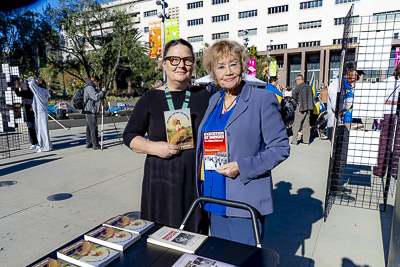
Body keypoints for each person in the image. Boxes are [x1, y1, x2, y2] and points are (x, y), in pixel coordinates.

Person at [197, 40, 290, 246]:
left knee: (244, 260)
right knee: (221, 258)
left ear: (243, 66)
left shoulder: (262, 100)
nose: (228, 72)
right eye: (221, 67)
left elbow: (280, 148)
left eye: (233, 64)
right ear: (213, 72)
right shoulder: (215, 100)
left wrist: (242, 166)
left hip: (242, 199)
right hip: (213, 196)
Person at [123, 39, 210, 233]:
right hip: (161, 178)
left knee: (194, 234)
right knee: (161, 235)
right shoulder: (150, 98)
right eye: (174, 59)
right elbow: (129, 135)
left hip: (194, 179)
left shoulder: (204, 96)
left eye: (187, 60)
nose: (181, 65)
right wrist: (154, 147)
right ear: (164, 63)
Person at [326, 62, 358, 200]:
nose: (357, 75)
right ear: (348, 72)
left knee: (341, 157)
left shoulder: (345, 85)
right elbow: (336, 106)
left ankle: (337, 184)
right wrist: (350, 103)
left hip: (341, 124)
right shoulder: (337, 85)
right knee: (339, 157)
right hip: (335, 125)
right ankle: (334, 188)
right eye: (355, 72)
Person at [373, 63, 400, 179]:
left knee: (384, 142)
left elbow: (378, 97)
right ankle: (395, 171)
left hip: (387, 112)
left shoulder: (387, 80)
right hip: (392, 112)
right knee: (397, 143)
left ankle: (380, 169)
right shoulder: (389, 81)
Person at [28, 78, 52, 153]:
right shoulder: (42, 91)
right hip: (40, 111)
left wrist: (33, 80)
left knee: (42, 130)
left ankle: (45, 146)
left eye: (37, 82)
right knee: (41, 129)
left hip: (41, 112)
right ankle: (43, 145)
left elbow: (31, 84)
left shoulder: (40, 90)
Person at [83, 76, 107, 150]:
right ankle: (95, 144)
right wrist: (102, 92)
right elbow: (96, 97)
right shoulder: (89, 88)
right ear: (95, 81)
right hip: (90, 109)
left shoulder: (87, 86)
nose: (98, 84)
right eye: (98, 82)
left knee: (89, 127)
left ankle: (89, 142)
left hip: (88, 109)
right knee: (93, 127)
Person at [14, 78, 38, 150]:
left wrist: (23, 87)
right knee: (30, 127)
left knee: (36, 126)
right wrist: (17, 86)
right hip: (28, 111)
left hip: (34, 110)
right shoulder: (24, 91)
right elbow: (18, 93)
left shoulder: (32, 90)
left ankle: (38, 141)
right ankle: (34, 142)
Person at [291, 74, 314, 145]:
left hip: (301, 107)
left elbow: (293, 94)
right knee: (306, 125)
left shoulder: (299, 86)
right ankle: (306, 141)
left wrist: (298, 100)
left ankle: (294, 141)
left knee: (296, 124)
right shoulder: (309, 87)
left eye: (295, 81)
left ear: (299, 80)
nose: (296, 82)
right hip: (309, 107)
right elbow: (313, 97)